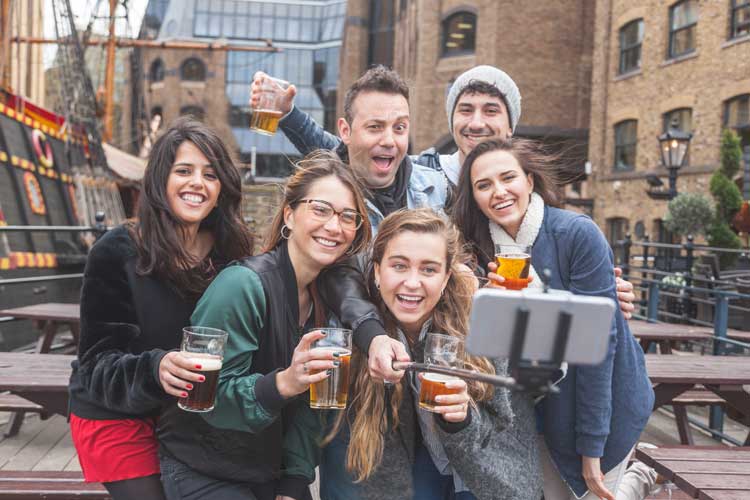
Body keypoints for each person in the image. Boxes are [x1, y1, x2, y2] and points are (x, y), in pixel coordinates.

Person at [156, 151, 372, 500]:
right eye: (320, 210)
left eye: (348, 217)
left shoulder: (325, 295)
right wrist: (285, 382)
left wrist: (295, 480)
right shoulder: (242, 285)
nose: (335, 226)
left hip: (267, 470)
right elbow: (208, 397)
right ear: (289, 214)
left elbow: (312, 409)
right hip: (204, 465)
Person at [452, 138, 654, 500]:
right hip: (539, 410)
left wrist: (592, 448)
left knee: (594, 489)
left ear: (530, 180)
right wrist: (487, 298)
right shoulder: (479, 255)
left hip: (604, 405)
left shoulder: (576, 234)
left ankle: (636, 478)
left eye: (508, 177)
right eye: (483, 185)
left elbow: (598, 348)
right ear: (474, 198)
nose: (498, 192)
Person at [68, 117, 254, 499]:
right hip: (116, 415)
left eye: (210, 175)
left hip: (192, 420)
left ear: (222, 189)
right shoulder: (117, 251)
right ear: (159, 181)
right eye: (183, 171)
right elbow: (96, 363)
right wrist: (156, 368)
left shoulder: (231, 254)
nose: (197, 184)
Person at [319, 209, 541, 500]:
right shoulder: (364, 331)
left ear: (447, 275)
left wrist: (460, 418)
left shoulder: (482, 320)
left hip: (492, 478)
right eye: (399, 266)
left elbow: (501, 424)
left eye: (429, 269)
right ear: (376, 270)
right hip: (425, 468)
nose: (412, 283)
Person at [252, 65, 449, 385]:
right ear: (346, 130)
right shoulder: (334, 201)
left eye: (400, 128)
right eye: (375, 127)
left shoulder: (434, 187)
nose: (389, 140)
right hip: (345, 373)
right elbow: (338, 276)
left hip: (419, 372)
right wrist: (373, 336)